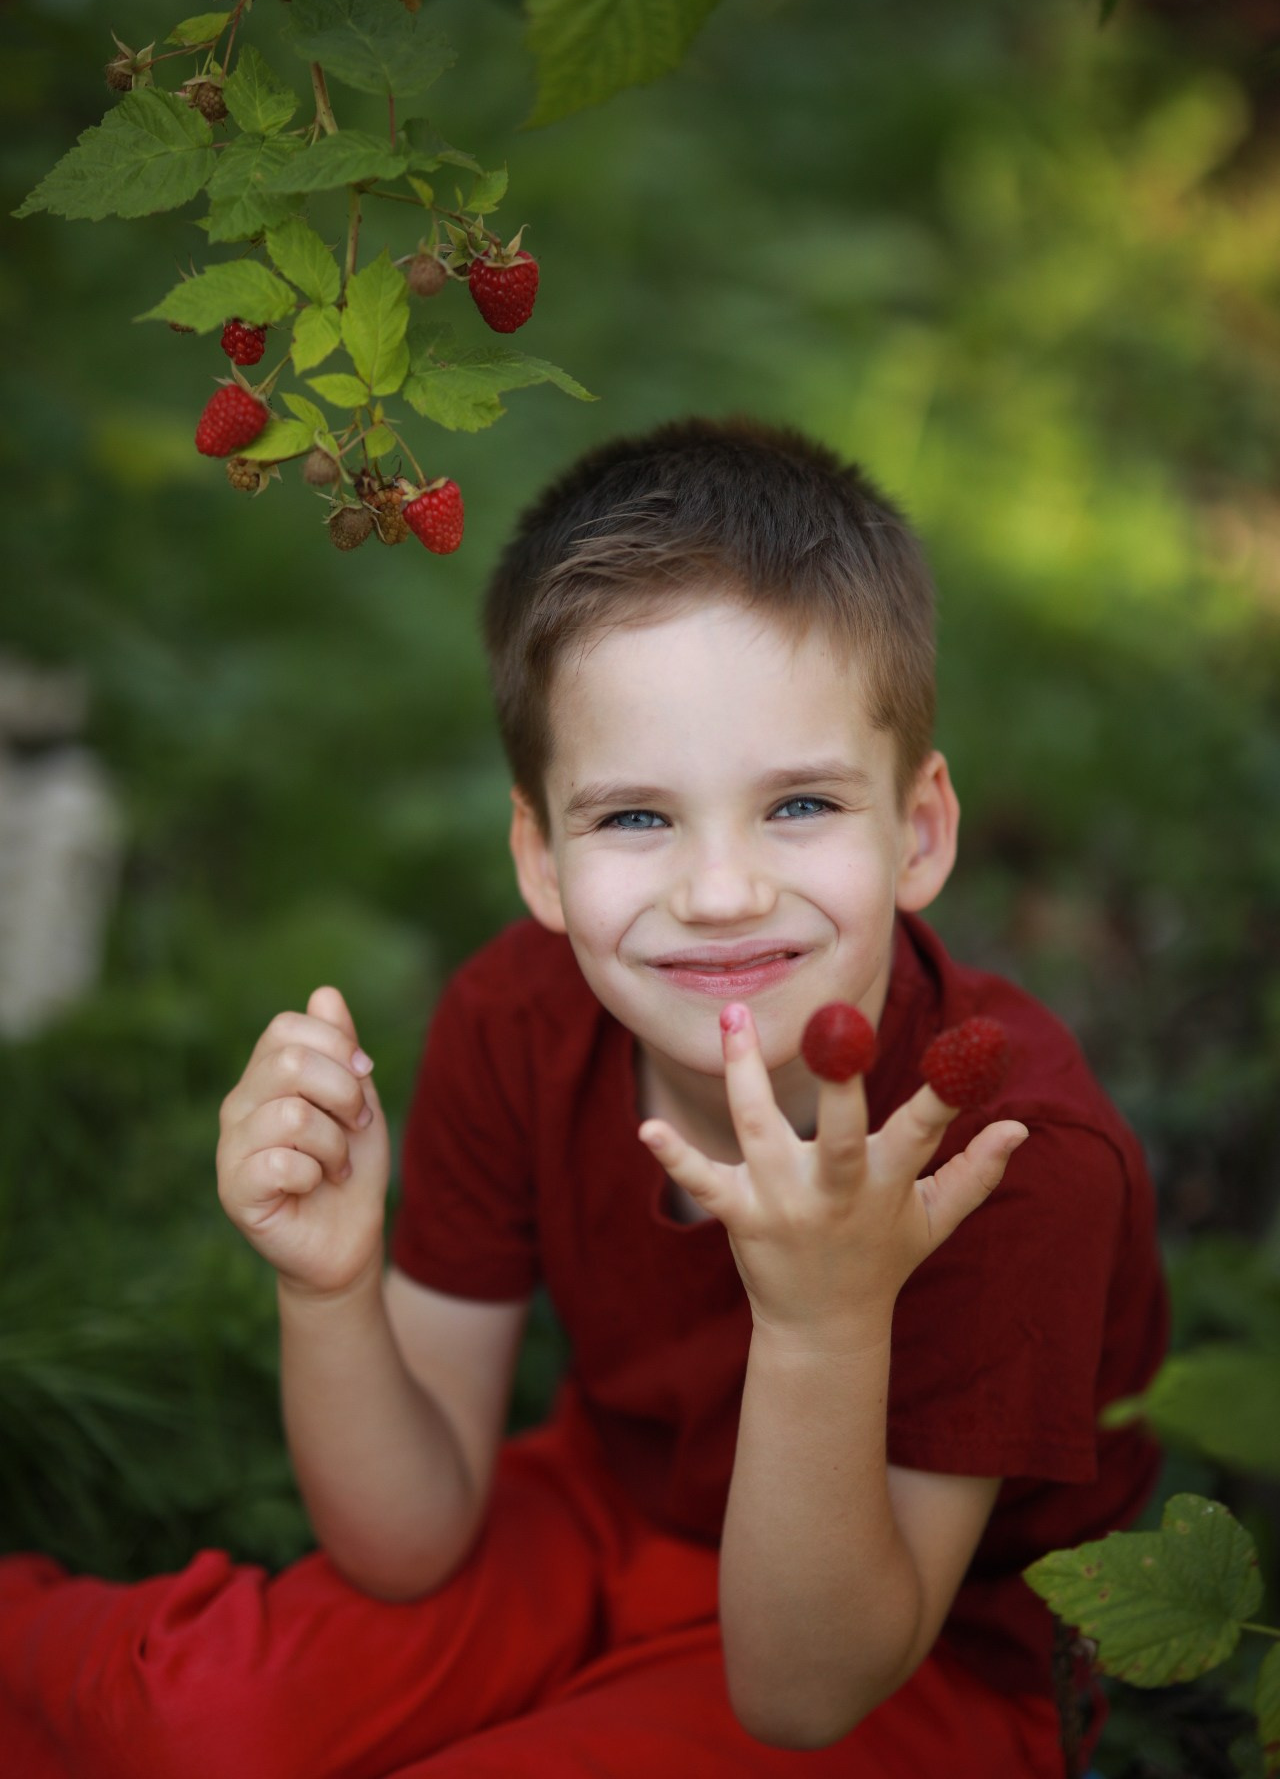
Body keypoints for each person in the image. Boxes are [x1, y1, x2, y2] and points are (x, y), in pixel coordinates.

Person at [0, 417, 1169, 1779]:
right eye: (634, 818)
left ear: (917, 832)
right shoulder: (521, 1019)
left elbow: (810, 1690)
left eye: (798, 805)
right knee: (190, 1717)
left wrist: (828, 1322)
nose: (720, 891)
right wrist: (331, 1288)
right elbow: (411, 1540)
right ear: (541, 859)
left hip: (913, 1649)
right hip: (603, 1514)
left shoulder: (1010, 1153)